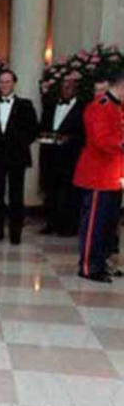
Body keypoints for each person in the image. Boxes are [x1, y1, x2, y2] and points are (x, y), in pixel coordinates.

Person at [72, 70, 123, 283]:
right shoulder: (99, 106)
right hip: (97, 175)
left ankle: (101, 262)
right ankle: (88, 266)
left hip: (114, 175)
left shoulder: (118, 107)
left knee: (110, 223)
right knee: (94, 223)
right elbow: (101, 140)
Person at [0, 69, 39, 245]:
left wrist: (18, 143)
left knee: (16, 195)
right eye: (1, 82)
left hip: (17, 156)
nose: (4, 85)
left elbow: (33, 130)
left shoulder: (25, 105)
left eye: (7, 82)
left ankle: (16, 234)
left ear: (13, 83)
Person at [39, 77, 85, 236]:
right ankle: (51, 223)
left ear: (75, 89)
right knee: (51, 190)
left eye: (69, 87)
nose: (66, 90)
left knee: (69, 192)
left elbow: (84, 134)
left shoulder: (82, 108)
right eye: (64, 87)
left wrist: (69, 139)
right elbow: (43, 127)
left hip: (70, 157)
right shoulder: (51, 106)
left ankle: (68, 226)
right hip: (51, 155)